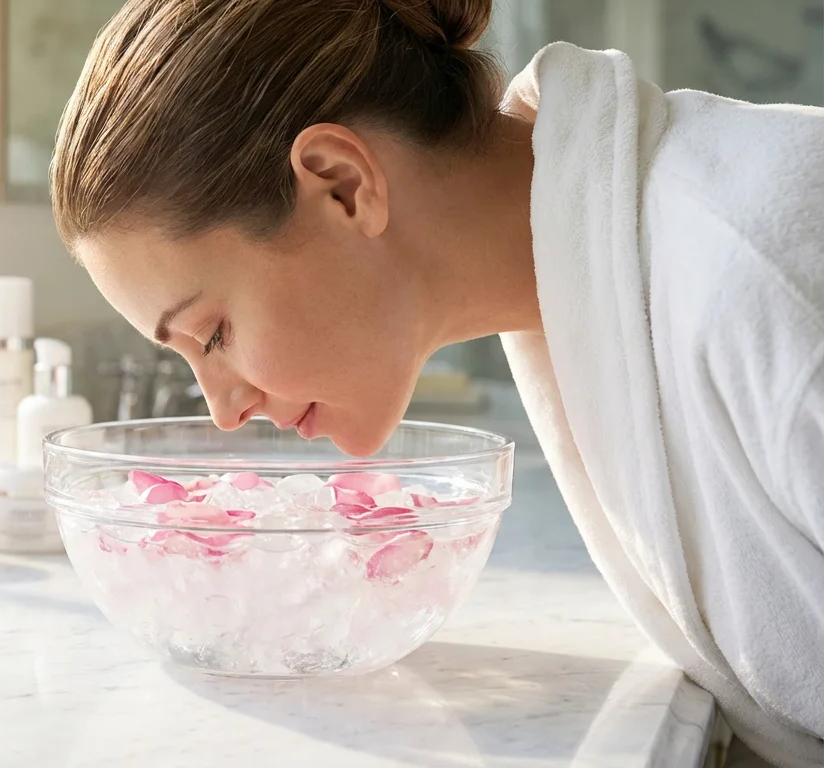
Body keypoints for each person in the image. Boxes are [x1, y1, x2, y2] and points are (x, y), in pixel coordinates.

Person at [48, 1, 824, 765]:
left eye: (213, 334)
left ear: (343, 184)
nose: (225, 410)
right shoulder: (581, 285)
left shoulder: (762, 276)